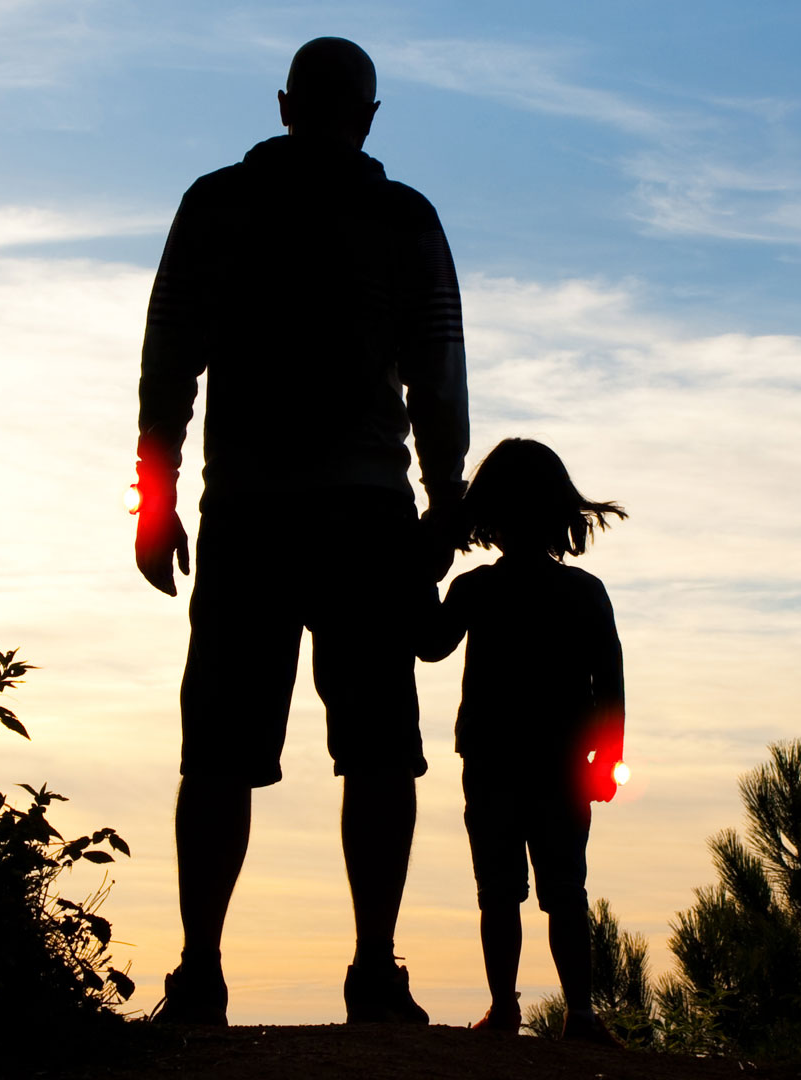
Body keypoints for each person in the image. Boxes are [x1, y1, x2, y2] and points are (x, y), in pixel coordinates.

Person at [134, 37, 469, 1025]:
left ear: (285, 104)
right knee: (377, 748)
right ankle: (373, 969)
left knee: (220, 751)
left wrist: (155, 503)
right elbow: (440, 376)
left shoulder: (217, 205)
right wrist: (446, 500)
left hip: (248, 509)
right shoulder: (403, 220)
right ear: (368, 115)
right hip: (366, 514)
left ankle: (201, 971)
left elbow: (167, 367)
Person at [417, 438, 627, 1045]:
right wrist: (607, 758)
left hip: (493, 762)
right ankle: (579, 1015)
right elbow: (609, 684)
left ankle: (508, 1008)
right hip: (553, 765)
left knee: (500, 890)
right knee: (564, 889)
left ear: (489, 517)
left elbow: (428, 643)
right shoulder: (583, 593)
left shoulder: (475, 589)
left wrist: (422, 570)